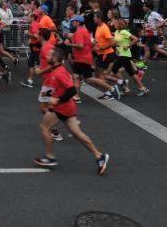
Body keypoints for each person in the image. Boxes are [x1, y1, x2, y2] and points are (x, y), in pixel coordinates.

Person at [33, 47, 110, 175]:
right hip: (67, 107)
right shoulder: (55, 69)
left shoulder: (59, 72)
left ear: (56, 59)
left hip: (61, 107)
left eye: (49, 55)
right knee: (77, 134)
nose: (47, 57)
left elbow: (72, 90)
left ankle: (50, 157)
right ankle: (99, 156)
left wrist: (57, 100)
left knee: (44, 127)